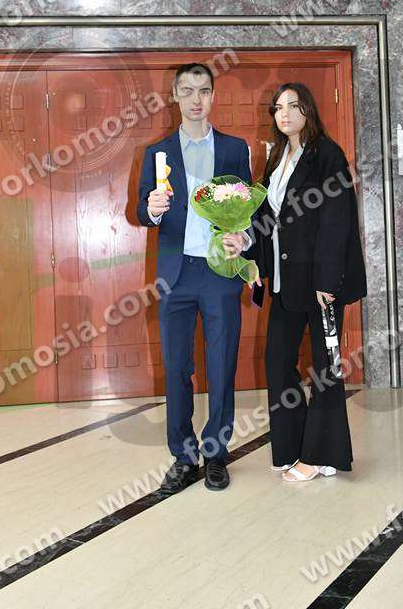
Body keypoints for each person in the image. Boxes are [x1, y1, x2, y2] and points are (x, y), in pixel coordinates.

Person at [136, 62, 253, 494]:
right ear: (174, 96)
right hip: (176, 275)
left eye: (203, 90)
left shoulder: (235, 149)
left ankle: (216, 452)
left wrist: (244, 237)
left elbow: (250, 210)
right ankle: (184, 455)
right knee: (176, 368)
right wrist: (152, 208)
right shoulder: (157, 153)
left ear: (213, 96)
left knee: (221, 364)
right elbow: (141, 211)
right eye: (186, 90)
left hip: (219, 273)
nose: (196, 99)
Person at [243, 82, 367, 482]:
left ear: (308, 110)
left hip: (319, 282)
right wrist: (243, 243)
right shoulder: (277, 158)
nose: (284, 114)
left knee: (325, 368)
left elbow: (336, 219)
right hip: (284, 282)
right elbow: (266, 219)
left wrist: (327, 280)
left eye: (292, 106)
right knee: (278, 362)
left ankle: (321, 455)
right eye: (278, 108)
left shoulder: (326, 155)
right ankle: (291, 448)